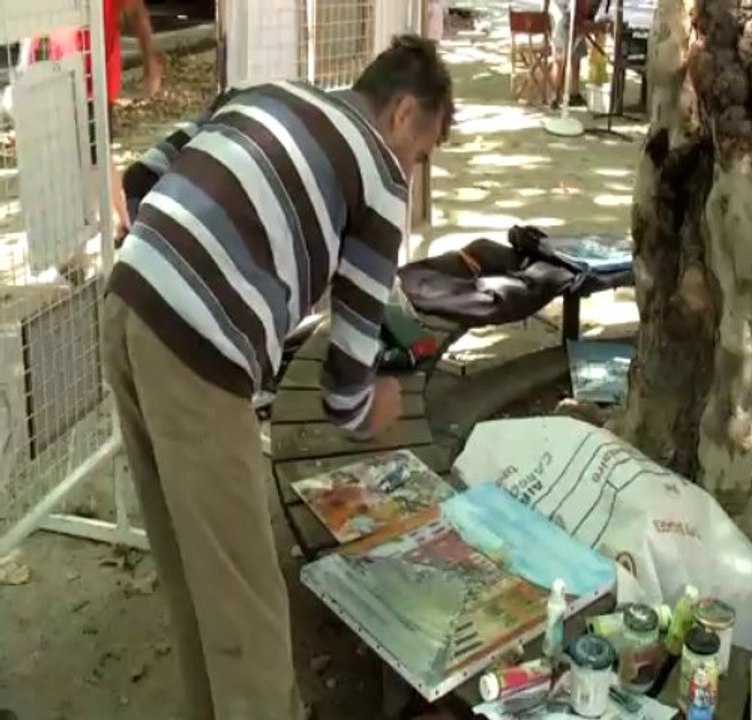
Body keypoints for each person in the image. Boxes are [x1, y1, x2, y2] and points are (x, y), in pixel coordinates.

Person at [101, 34, 454, 720]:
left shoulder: (268, 94)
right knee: (248, 606)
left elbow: (142, 179)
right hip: (197, 351)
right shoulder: (379, 172)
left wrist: (194, 261)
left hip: (129, 298)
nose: (412, 168)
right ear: (404, 113)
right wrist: (373, 404)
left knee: (194, 566)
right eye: (421, 152)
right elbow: (345, 386)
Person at [18, 0, 163, 231]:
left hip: (97, 80)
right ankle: (119, 220)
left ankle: (121, 222)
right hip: (62, 77)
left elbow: (137, 12)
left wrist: (150, 63)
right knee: (87, 154)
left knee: (95, 155)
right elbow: (37, 19)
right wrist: (24, 67)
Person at [548, 0, 606, 109]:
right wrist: (597, 27)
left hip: (580, 25)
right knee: (560, 62)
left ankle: (574, 94)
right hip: (565, 23)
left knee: (576, 60)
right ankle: (555, 96)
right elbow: (575, 18)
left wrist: (598, 26)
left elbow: (594, 17)